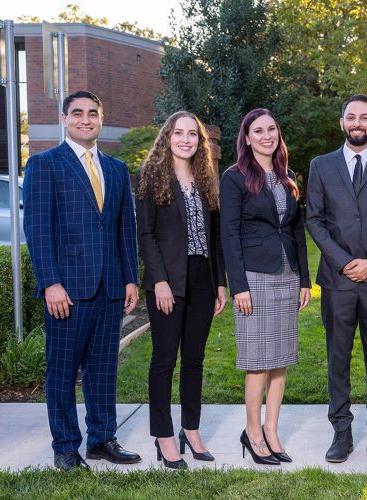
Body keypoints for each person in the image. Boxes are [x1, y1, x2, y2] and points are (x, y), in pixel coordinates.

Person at [23, 91, 141, 470]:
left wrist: (130, 279)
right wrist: (50, 283)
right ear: (64, 118)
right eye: (78, 113)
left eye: (93, 113)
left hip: (109, 288)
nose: (86, 119)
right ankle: (65, 447)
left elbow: (126, 230)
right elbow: (37, 230)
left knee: (103, 368)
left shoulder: (118, 169)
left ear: (101, 119)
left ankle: (102, 439)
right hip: (67, 290)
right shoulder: (45, 165)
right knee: (61, 371)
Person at [306, 94, 367, 465]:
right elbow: (314, 219)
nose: (358, 123)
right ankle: (341, 433)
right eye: (352, 117)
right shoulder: (321, 165)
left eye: (365, 117)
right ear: (342, 122)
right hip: (338, 279)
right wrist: (347, 261)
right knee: (338, 359)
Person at [136, 111, 227, 469]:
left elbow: (215, 236)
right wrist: (159, 281)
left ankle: (191, 429)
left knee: (194, 360)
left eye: (193, 134)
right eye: (179, 133)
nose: (186, 139)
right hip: (168, 280)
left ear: (199, 141)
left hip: (203, 276)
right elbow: (145, 234)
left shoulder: (206, 178)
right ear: (167, 137)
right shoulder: (152, 176)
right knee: (163, 360)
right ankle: (163, 435)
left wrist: (220, 281)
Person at [221, 108, 311, 466]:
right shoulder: (234, 177)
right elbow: (228, 234)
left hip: (287, 277)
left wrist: (304, 279)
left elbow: (296, 231)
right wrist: (238, 286)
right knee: (258, 362)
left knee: (280, 361)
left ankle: (272, 430)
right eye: (258, 130)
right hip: (254, 279)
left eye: (271, 129)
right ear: (246, 137)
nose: (266, 135)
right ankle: (252, 432)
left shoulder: (288, 176)